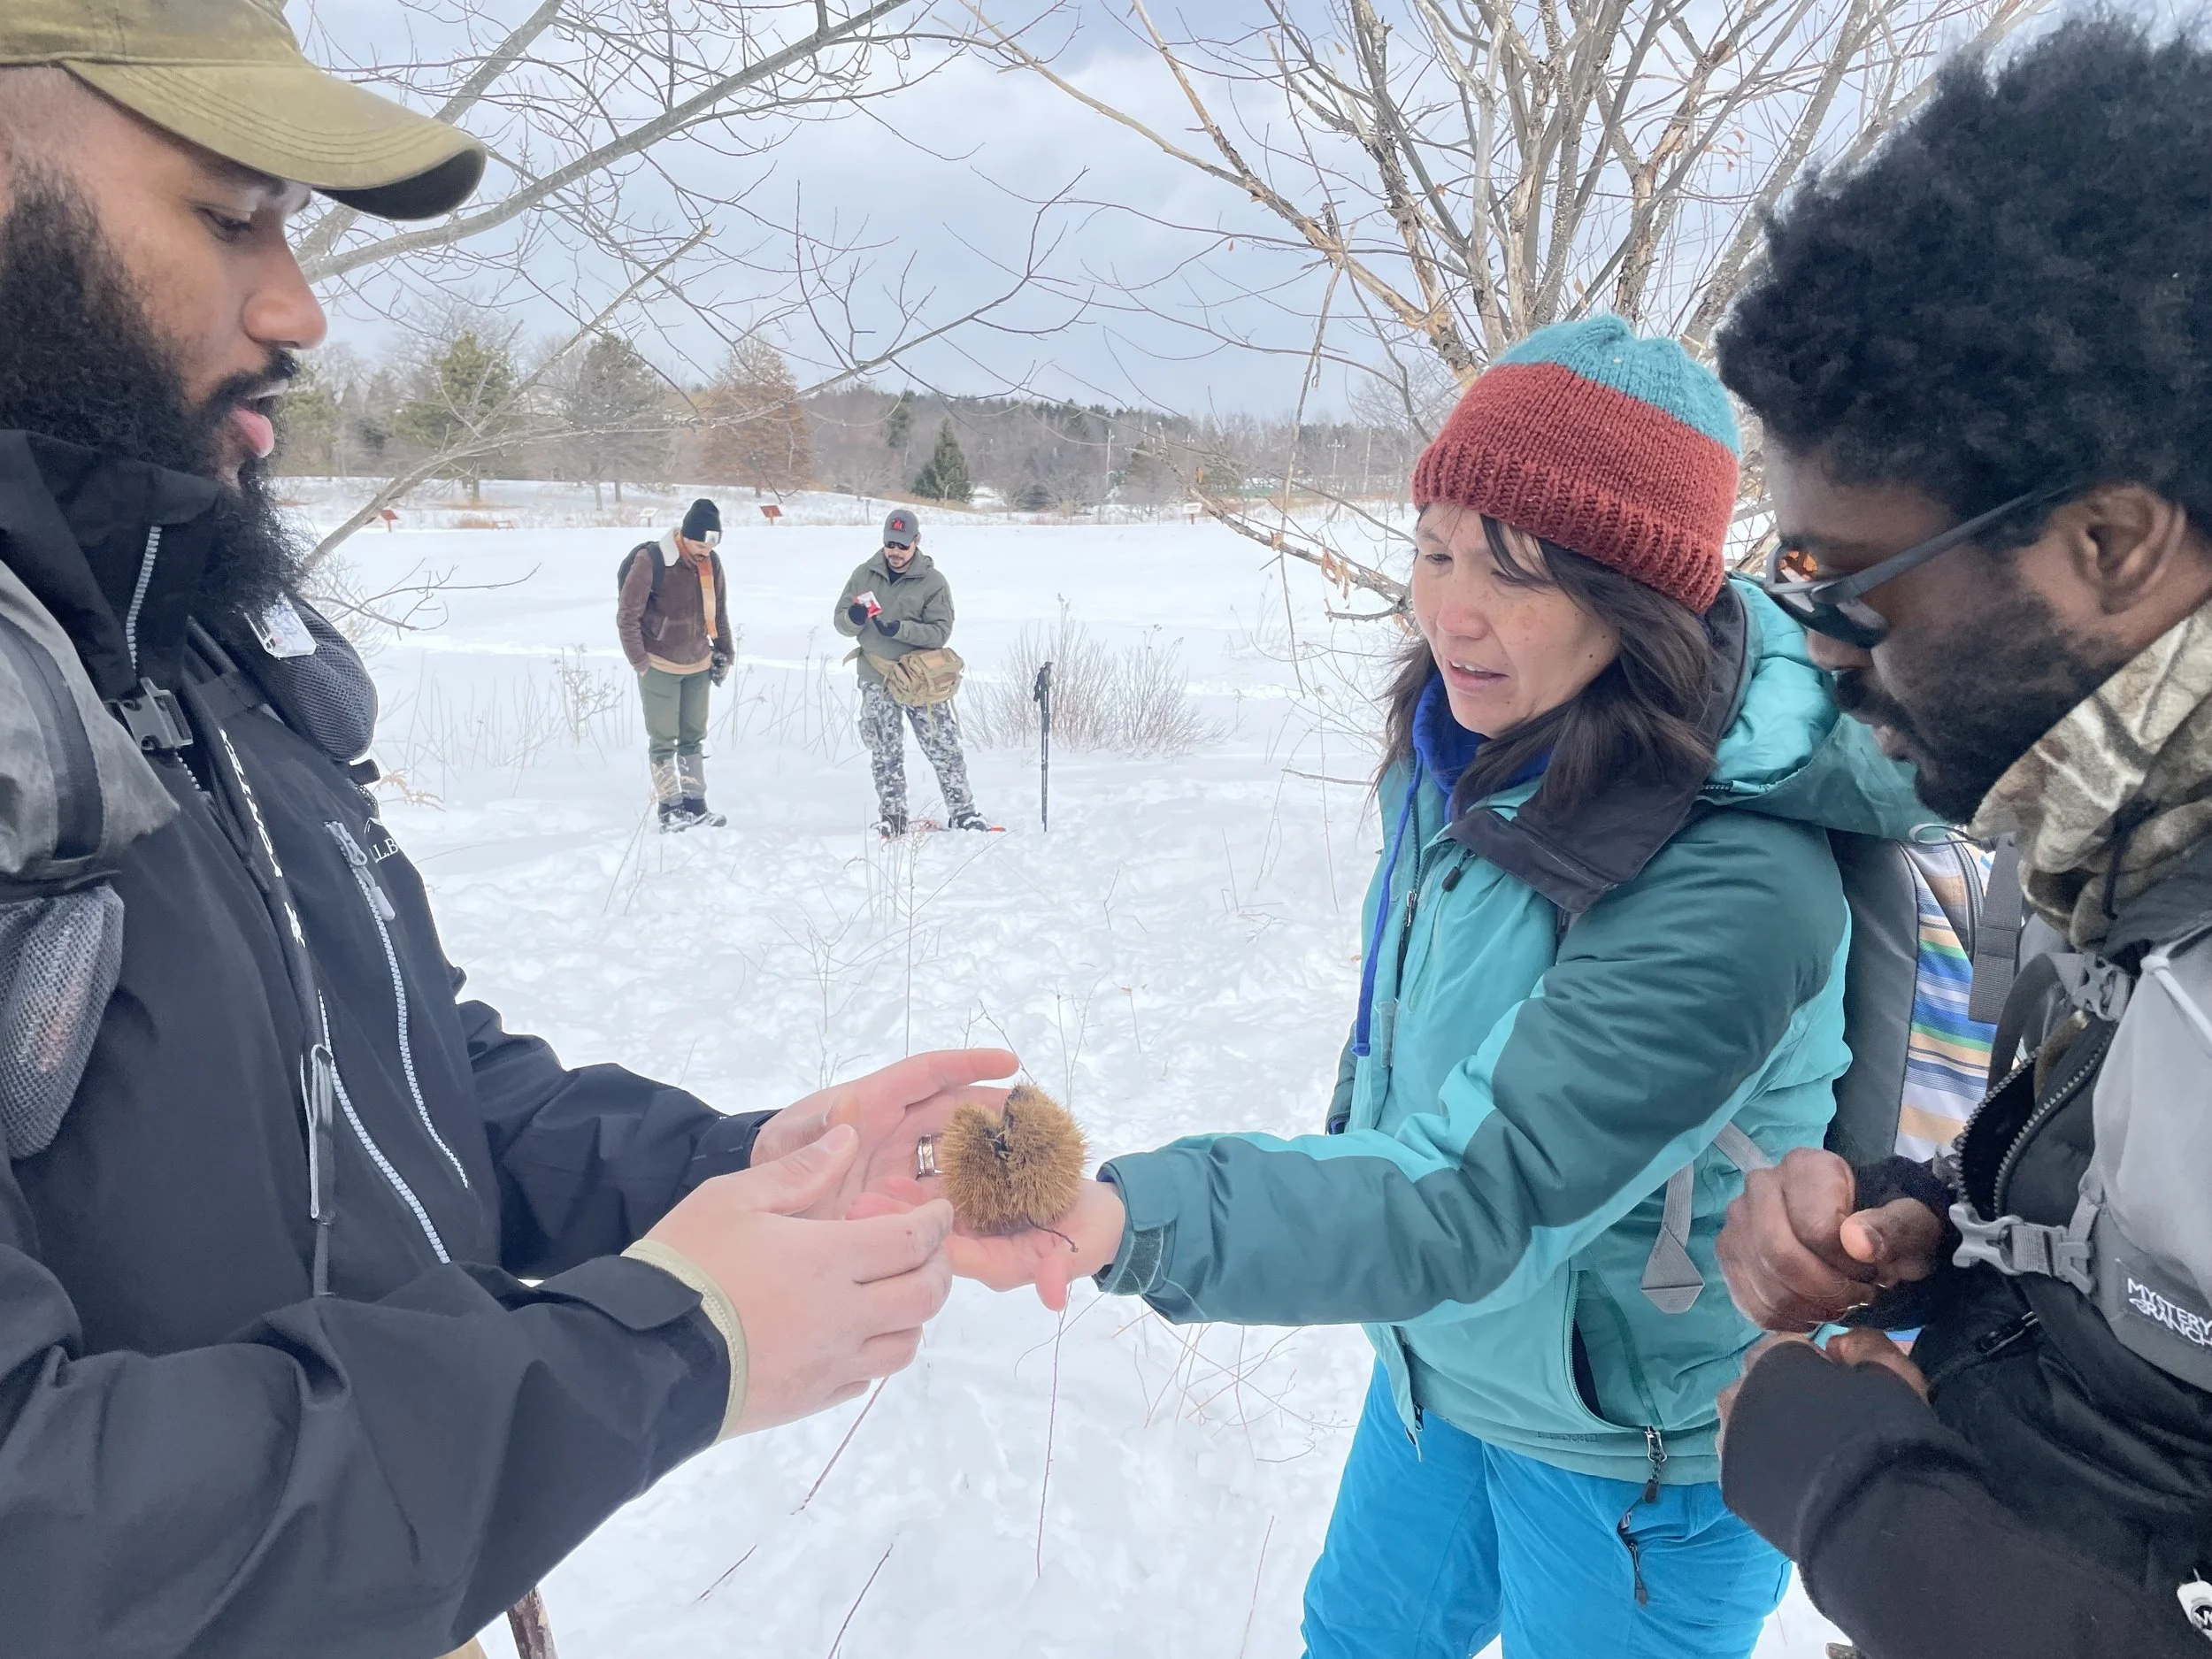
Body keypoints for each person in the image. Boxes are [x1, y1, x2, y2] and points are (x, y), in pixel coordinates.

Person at [0, 7, 1004, 1655]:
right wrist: (661, 1346)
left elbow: (400, 1076)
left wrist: (738, 1168)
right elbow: (37, 1529)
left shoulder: (183, 644)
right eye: (223, 212)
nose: (297, 306)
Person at [886, 320, 1932, 1657]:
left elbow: (1478, 1186)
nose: (1452, 609)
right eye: (1436, 549)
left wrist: (1126, 1214)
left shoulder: (1738, 886)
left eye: (1517, 571)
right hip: (1438, 1375)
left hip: (1638, 1452)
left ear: (1640, 600)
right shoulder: (1465, 753)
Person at [1707, 17, 2212, 1657]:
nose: (1822, 655)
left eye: (1849, 588)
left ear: (2114, 543)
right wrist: (1946, 1227)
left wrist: (1862, 1505)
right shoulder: (2125, 843)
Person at [833, 505, 989, 835]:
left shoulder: (933, 582)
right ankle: (894, 818)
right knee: (884, 750)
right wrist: (855, 620)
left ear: (916, 541)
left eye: (903, 545)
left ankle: (963, 813)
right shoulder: (864, 573)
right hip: (877, 677)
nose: (896, 552)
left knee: (943, 747)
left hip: (920, 680)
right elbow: (841, 621)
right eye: (891, 543)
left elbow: (940, 632)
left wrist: (900, 629)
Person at [618, 495, 733, 830]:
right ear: (685, 534)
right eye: (701, 542)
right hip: (659, 665)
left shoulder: (712, 564)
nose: (706, 550)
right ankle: (670, 808)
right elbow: (627, 616)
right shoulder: (651, 560)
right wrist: (641, 662)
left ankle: (695, 805)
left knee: (692, 737)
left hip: (698, 665)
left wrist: (724, 653)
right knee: (663, 740)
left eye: (713, 543)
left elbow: (719, 614)